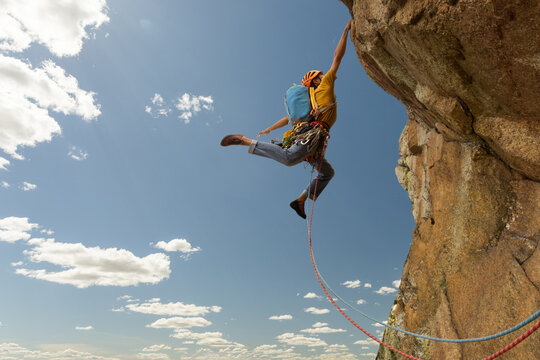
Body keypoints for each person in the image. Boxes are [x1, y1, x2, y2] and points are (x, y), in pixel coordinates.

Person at [221, 19, 352, 219]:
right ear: (315, 80)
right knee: (290, 158)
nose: (323, 75)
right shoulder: (324, 86)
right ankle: (245, 141)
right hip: (311, 136)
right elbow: (337, 57)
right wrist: (345, 31)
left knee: (327, 172)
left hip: (314, 140)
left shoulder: (310, 102)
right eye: (320, 75)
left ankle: (300, 200)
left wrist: (269, 129)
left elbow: (287, 118)